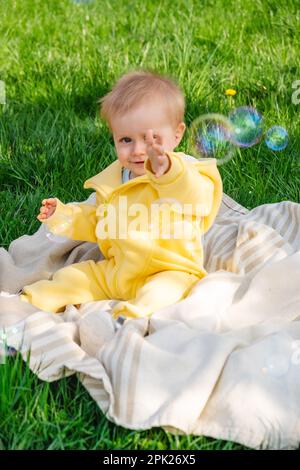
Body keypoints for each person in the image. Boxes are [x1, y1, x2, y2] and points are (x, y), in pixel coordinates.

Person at [18, 69, 223, 321]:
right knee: (74, 277)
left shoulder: (185, 174)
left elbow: (197, 198)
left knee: (163, 293)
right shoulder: (113, 182)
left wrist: (168, 171)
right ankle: (27, 302)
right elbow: (99, 223)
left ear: (177, 134)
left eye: (151, 139)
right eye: (125, 139)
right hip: (118, 271)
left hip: (171, 269)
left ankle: (130, 317)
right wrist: (64, 216)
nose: (138, 150)